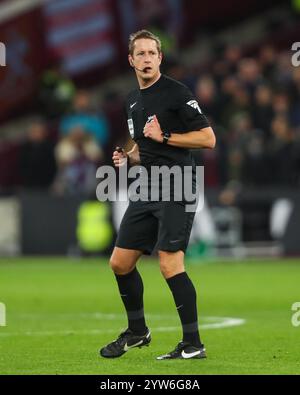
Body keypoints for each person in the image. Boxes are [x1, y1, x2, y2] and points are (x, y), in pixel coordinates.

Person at [99, 30, 216, 360]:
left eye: (153, 53)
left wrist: (165, 136)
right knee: (120, 263)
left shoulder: (177, 93)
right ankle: (137, 331)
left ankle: (193, 344)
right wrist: (129, 157)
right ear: (131, 60)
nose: (147, 59)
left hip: (178, 185)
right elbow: (145, 147)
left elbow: (208, 139)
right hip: (147, 186)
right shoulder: (132, 101)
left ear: (160, 58)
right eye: (142, 54)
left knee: (169, 264)